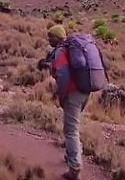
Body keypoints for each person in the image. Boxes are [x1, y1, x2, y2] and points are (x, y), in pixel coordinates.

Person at [47, 25, 90, 180]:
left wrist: (60, 94)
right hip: (85, 91)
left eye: (50, 36)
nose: (48, 39)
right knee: (74, 126)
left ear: (57, 37)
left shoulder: (61, 51)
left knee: (71, 130)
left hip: (73, 93)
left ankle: (74, 169)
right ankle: (72, 154)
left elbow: (63, 76)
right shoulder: (72, 49)